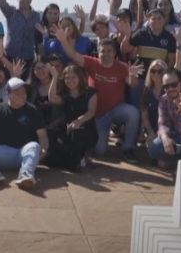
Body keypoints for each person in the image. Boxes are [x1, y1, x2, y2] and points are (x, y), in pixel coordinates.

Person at [53, 29, 143, 163]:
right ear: (98, 52)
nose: (106, 54)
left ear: (114, 53)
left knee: (133, 113)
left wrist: (131, 75)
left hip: (116, 109)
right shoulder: (91, 63)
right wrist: (63, 41)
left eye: (109, 51)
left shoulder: (122, 66)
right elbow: (73, 54)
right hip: (97, 113)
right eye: (103, 51)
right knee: (100, 151)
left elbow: (133, 84)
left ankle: (127, 148)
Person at [0, 77, 49, 189]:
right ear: (8, 94)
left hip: (25, 153)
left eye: (23, 92)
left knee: (34, 145)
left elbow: (42, 136)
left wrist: (44, 149)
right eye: (17, 92)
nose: (22, 95)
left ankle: (26, 175)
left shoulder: (32, 110)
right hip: (6, 152)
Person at [45, 65, 99, 171]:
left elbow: (91, 112)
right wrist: (55, 77)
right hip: (68, 129)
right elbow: (52, 98)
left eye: (73, 77)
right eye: (67, 78)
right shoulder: (65, 95)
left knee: (77, 134)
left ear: (80, 77)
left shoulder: (90, 92)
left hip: (86, 128)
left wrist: (78, 121)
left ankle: (78, 159)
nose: (70, 80)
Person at [0, 0, 41, 79]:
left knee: (22, 86)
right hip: (10, 55)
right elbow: (1, 2)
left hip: (28, 58)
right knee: (8, 84)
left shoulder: (36, 16)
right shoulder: (11, 12)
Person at [139, 59, 169, 148]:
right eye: (153, 71)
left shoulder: (170, 89)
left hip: (166, 129)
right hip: (150, 128)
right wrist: (150, 132)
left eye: (160, 71)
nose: (156, 74)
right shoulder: (146, 90)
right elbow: (144, 115)